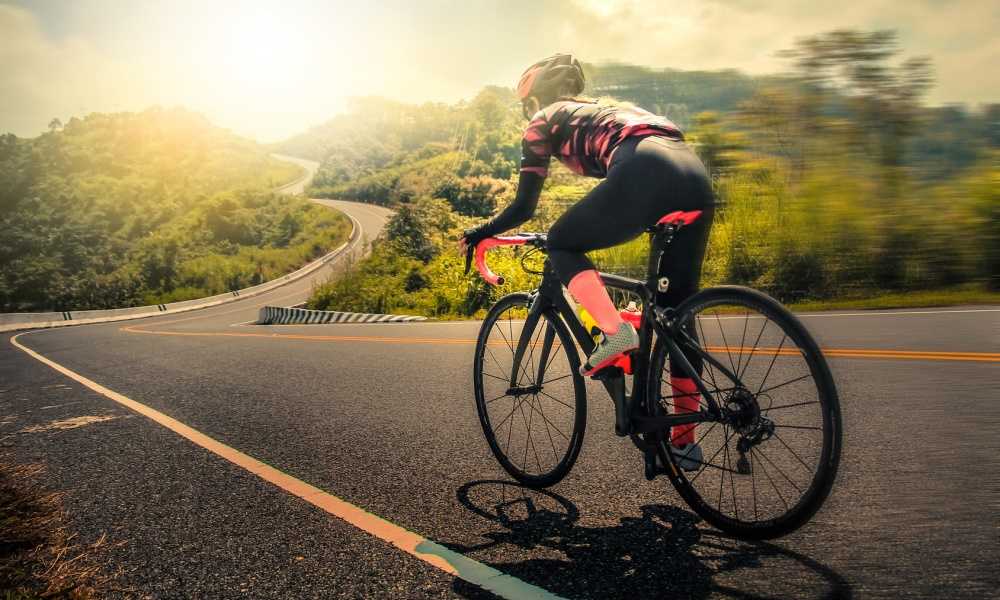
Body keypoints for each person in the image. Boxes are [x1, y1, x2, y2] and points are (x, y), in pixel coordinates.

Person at [460, 54, 714, 469]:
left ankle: (615, 334)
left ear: (533, 97)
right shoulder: (606, 109)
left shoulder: (543, 119)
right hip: (691, 173)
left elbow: (525, 206)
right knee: (676, 317)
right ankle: (684, 442)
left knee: (562, 242)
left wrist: (481, 231)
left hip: (644, 169)